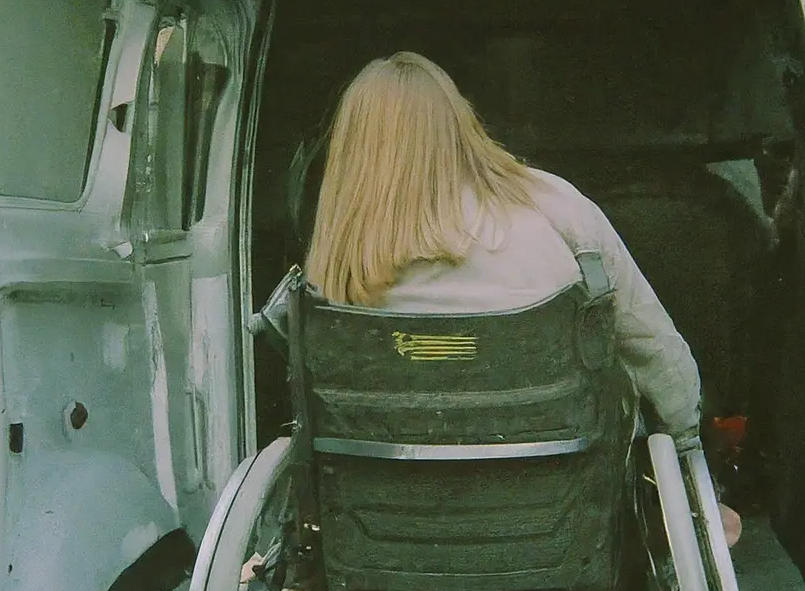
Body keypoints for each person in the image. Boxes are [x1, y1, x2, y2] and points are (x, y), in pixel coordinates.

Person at [303, 51, 741, 544]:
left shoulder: (337, 252)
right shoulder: (556, 208)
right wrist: (685, 440)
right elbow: (649, 342)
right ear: (459, 122)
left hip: (392, 518)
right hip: (561, 508)